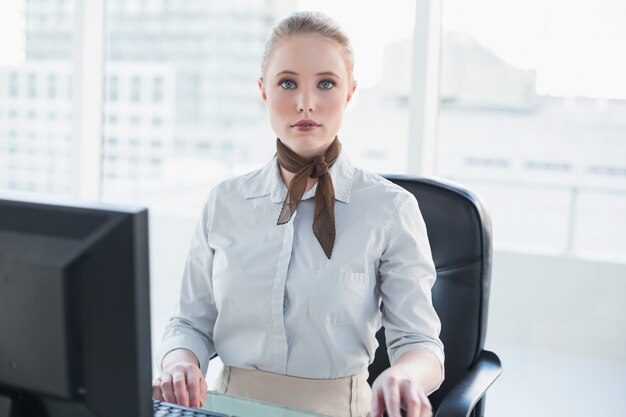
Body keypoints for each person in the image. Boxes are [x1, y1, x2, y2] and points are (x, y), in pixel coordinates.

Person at [152, 11, 444, 417]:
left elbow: (421, 344)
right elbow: (190, 323)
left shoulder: (390, 210)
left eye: (326, 83)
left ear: (349, 93)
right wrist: (179, 361)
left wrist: (404, 377)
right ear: (263, 92)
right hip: (224, 407)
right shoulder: (225, 202)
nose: (306, 102)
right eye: (287, 83)